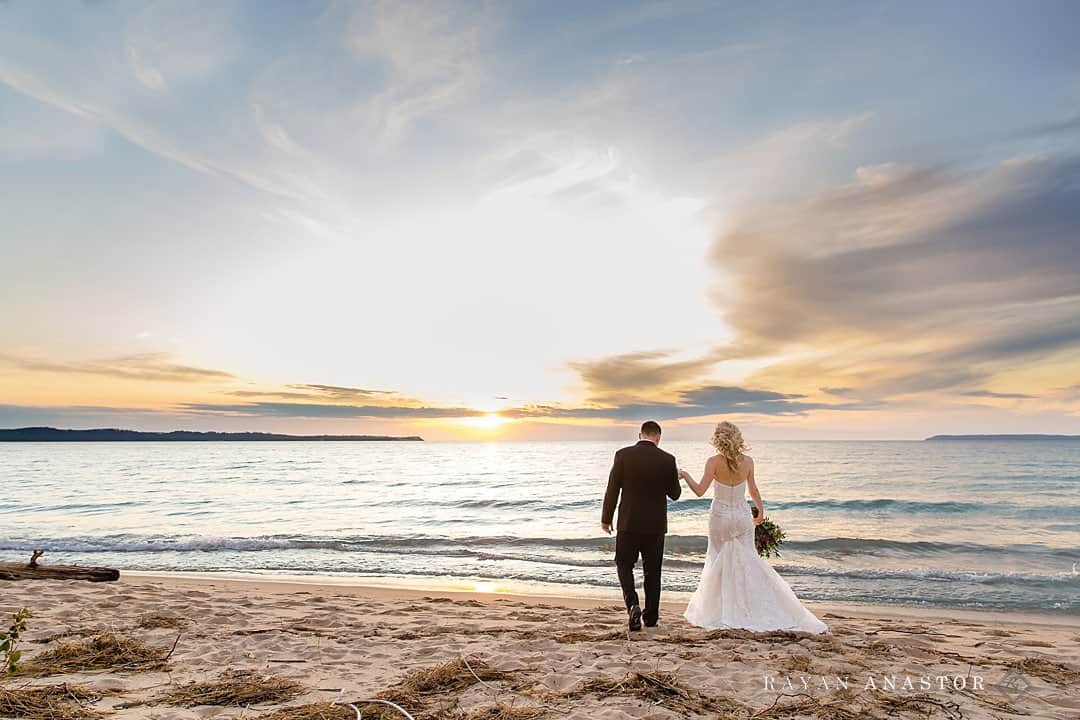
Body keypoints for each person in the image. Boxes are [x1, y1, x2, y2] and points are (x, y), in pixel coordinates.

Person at [680, 421, 827, 633]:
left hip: (720, 517)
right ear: (737, 438)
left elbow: (700, 491)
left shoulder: (712, 462)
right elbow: (754, 491)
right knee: (747, 559)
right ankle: (752, 606)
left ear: (718, 439)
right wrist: (760, 510)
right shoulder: (748, 462)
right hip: (741, 516)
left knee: (717, 561)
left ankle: (721, 610)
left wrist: (685, 475)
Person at [601, 420, 681, 631]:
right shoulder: (667, 459)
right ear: (658, 437)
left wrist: (606, 519)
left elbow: (612, 489)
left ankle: (633, 605)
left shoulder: (623, 455)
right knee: (653, 571)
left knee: (623, 564)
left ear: (640, 435)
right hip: (655, 526)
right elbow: (675, 494)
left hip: (628, 522)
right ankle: (651, 617)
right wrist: (676, 476)